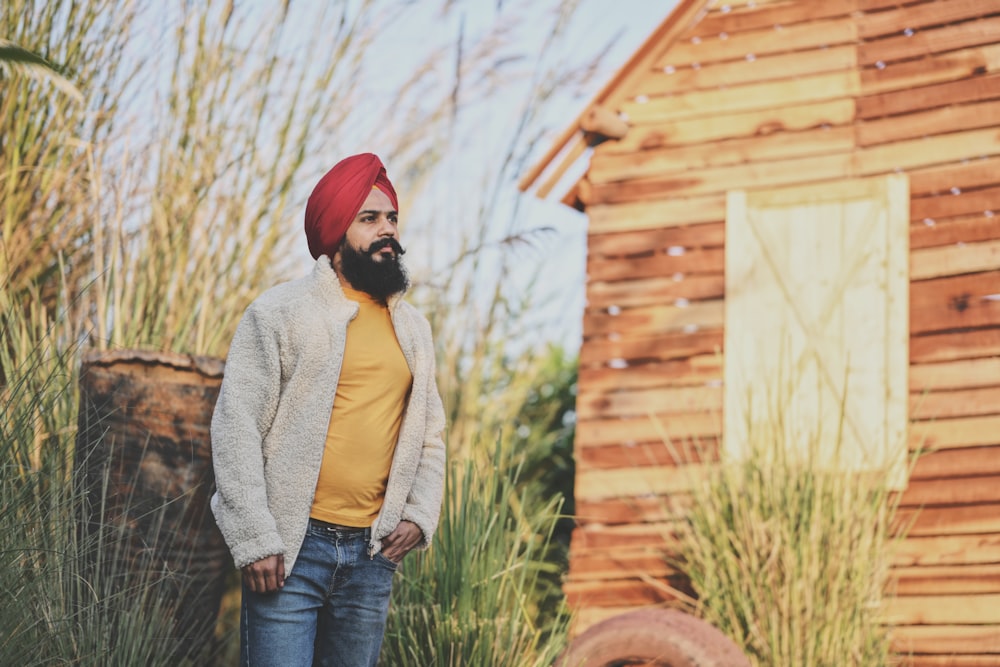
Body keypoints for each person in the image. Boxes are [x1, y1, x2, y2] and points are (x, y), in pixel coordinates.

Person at [210, 153, 447, 667]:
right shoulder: (279, 312)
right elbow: (236, 426)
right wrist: (255, 538)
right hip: (291, 550)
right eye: (369, 219)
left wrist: (419, 514)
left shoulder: (414, 330)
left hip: (371, 556)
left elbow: (429, 434)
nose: (387, 231)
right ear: (336, 230)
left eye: (391, 219)